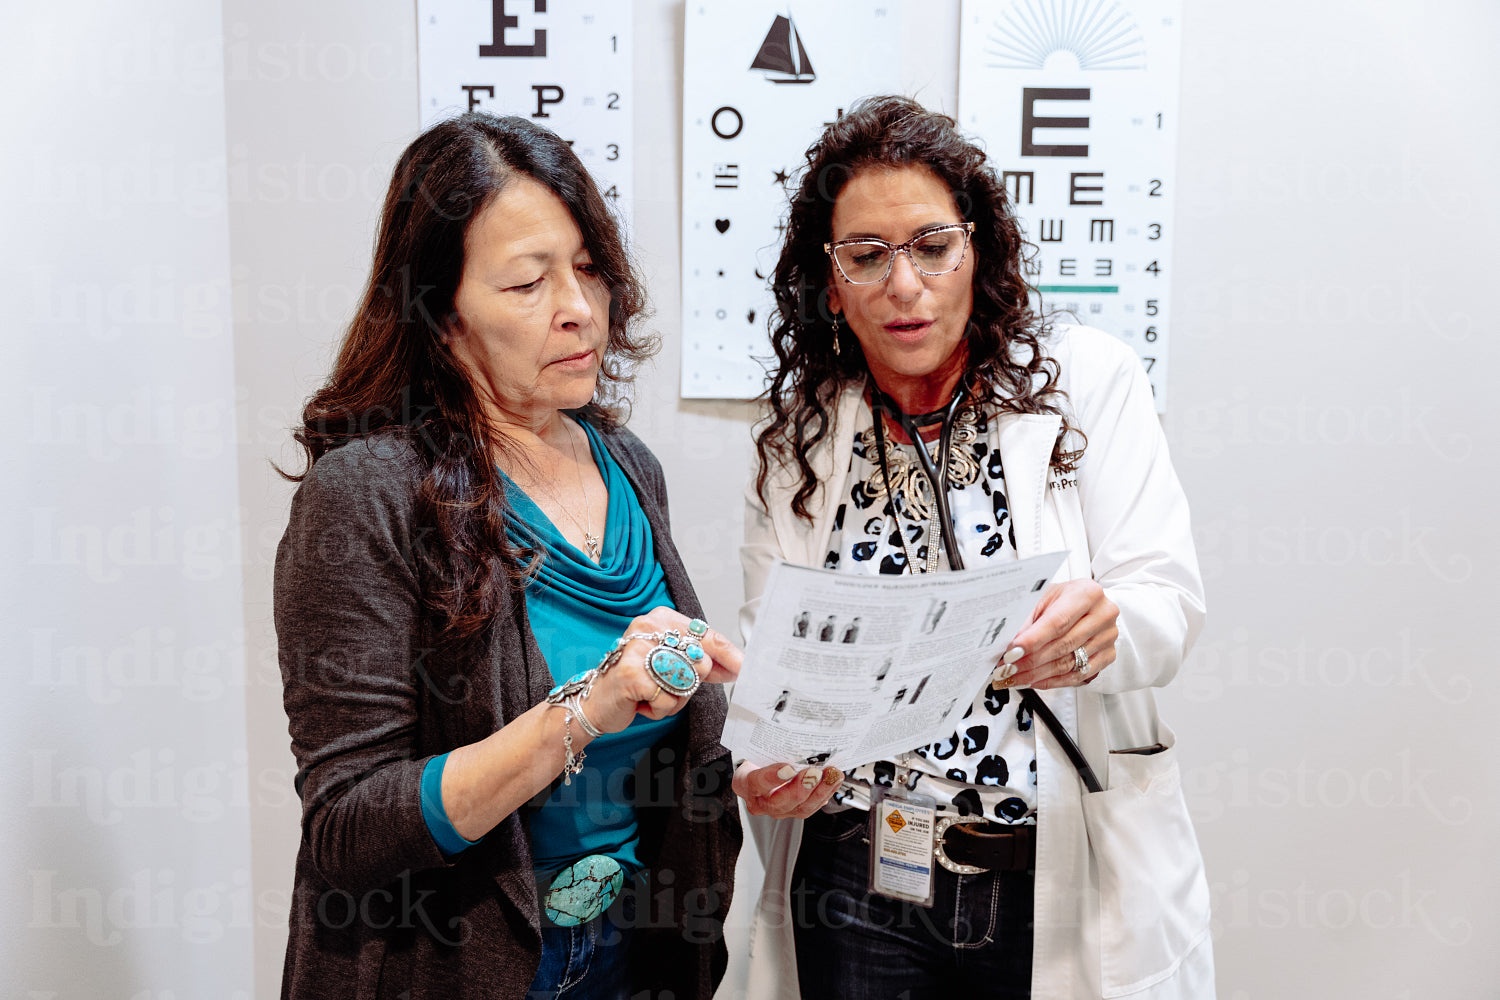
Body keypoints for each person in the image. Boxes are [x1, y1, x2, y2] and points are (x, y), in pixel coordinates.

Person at [733, 96, 1213, 999]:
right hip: (855, 876)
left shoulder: (1085, 384)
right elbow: (773, 667)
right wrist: (761, 761)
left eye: (931, 246)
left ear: (976, 251)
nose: (903, 286)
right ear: (830, 284)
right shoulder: (797, 444)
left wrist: (1108, 627)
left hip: (1046, 867)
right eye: (866, 256)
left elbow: (1169, 602)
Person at [274, 112, 742, 1000]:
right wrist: (587, 708)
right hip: (460, 966)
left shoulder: (627, 463)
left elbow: (666, 742)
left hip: (633, 945)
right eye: (529, 282)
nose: (579, 307)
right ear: (442, 316)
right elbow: (349, 828)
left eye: (590, 268)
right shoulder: (367, 493)